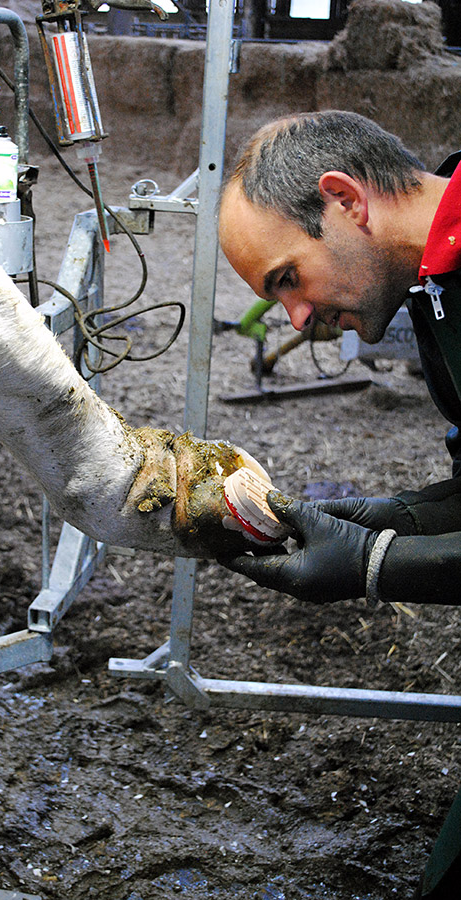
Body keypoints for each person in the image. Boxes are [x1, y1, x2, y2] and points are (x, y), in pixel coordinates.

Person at [217, 110, 461, 900]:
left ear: (345, 202)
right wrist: (393, 516)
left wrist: (373, 565)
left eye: (287, 277)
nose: (294, 318)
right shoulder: (433, 286)